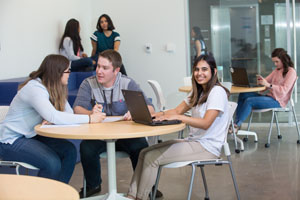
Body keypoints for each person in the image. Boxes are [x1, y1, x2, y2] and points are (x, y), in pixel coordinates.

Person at [127, 53, 230, 200]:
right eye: (196, 69)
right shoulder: (198, 91)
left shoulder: (217, 92)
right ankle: (131, 196)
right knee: (144, 152)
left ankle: (141, 197)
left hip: (207, 147)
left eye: (204, 69)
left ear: (213, 72)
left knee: (151, 158)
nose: (199, 73)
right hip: (194, 141)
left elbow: (206, 123)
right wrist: (157, 114)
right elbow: (176, 110)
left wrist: (180, 118)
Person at [0, 55, 106, 183]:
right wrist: (90, 118)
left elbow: (68, 113)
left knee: (69, 151)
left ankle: (58, 193)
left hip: (31, 135)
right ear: (57, 73)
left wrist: (55, 117)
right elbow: (54, 116)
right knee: (52, 163)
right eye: (68, 71)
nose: (69, 74)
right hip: (11, 140)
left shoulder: (55, 87)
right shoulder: (34, 88)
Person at [73, 49, 154, 197]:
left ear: (116, 70)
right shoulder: (88, 84)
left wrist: (135, 112)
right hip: (99, 135)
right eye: (98, 66)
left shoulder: (127, 83)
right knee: (86, 148)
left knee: (141, 147)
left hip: (125, 135)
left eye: (105, 68)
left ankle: (146, 186)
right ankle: (93, 185)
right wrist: (90, 113)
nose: (99, 71)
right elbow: (77, 108)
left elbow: (150, 108)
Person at [234, 48, 297, 130]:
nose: (275, 64)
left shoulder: (291, 72)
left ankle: (235, 125)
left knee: (249, 101)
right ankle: (236, 124)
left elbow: (283, 91)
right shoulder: (276, 70)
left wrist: (268, 85)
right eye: (274, 62)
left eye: (277, 62)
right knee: (243, 94)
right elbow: (266, 81)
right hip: (269, 97)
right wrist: (261, 81)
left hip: (278, 101)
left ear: (283, 60)